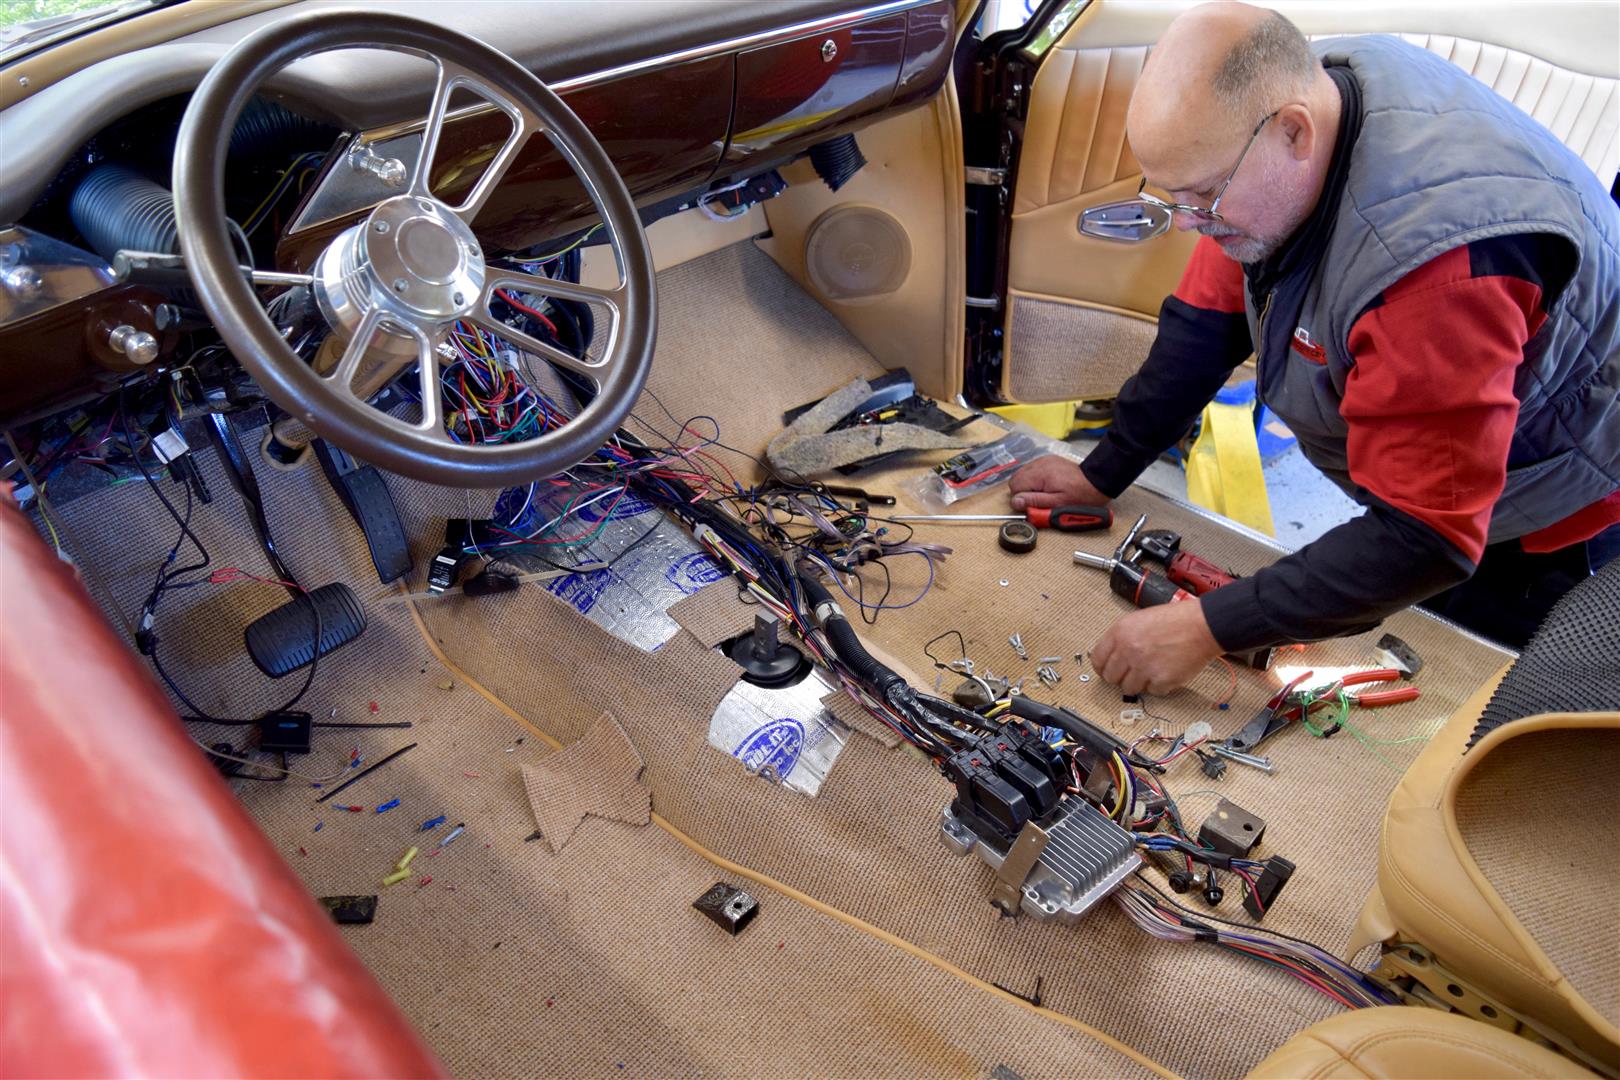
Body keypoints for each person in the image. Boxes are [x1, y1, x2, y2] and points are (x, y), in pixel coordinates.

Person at [1008, 2, 1620, 694]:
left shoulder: (1432, 274)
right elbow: (1205, 326)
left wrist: (1207, 626)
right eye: (1176, 197)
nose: (1189, 224)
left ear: (1294, 133)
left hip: (1551, 502)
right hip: (1456, 446)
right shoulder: (1301, 110)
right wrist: (1104, 471)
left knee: (1473, 698)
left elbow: (1426, 536)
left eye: (1204, 196)